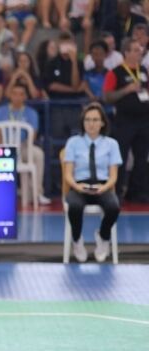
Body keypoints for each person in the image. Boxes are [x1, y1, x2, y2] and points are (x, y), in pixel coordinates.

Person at [62, 103, 122, 262]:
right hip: (79, 186)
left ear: (102, 122)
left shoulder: (112, 144)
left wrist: (105, 187)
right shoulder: (73, 142)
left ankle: (103, 237)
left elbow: (113, 176)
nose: (91, 123)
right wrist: (76, 186)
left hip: (103, 186)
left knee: (114, 206)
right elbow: (68, 174)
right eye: (87, 120)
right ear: (83, 122)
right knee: (74, 206)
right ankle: (77, 240)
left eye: (95, 120)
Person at [103, 38, 149, 202]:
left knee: (142, 157)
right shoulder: (115, 72)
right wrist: (127, 89)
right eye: (136, 50)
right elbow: (107, 96)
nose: (140, 52)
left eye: (140, 50)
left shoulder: (143, 70)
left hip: (144, 120)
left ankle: (138, 192)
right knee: (120, 156)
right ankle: (117, 190)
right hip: (124, 120)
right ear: (126, 53)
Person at [0, 83, 50, 204]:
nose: (17, 97)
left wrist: (19, 148)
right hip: (4, 148)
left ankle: (37, 193)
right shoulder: (0, 112)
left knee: (38, 154)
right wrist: (6, 149)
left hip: (23, 146)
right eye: (15, 94)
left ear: (25, 97)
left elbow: (32, 137)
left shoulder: (31, 113)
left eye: (21, 94)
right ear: (10, 95)